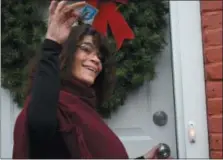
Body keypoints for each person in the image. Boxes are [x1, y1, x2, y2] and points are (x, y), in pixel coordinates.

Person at [13, 1, 167, 159]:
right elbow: (41, 124)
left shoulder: (85, 110)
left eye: (100, 56)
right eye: (86, 49)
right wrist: (52, 43)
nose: (96, 60)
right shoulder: (50, 105)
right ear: (66, 54)